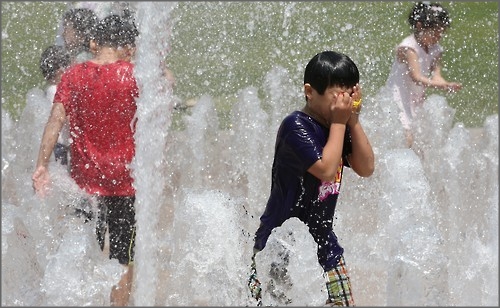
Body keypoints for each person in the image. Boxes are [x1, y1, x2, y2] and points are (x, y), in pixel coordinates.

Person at [248, 50, 375, 306]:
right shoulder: (296, 126)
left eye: (348, 95)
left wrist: (354, 121)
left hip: (324, 246)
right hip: (282, 247)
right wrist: (340, 123)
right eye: (336, 95)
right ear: (310, 91)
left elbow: (366, 167)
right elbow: (327, 169)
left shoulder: (338, 126)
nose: (343, 103)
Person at [32, 14, 139, 306]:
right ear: (129, 47)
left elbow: (55, 119)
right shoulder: (134, 76)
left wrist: (41, 165)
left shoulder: (73, 75)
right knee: (122, 258)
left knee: (81, 251)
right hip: (125, 186)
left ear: (94, 43)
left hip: (84, 185)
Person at [385, 1, 462, 147]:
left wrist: (443, 83)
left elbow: (437, 75)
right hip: (400, 96)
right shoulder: (409, 48)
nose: (438, 37)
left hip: (416, 97)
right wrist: (443, 86)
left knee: (420, 137)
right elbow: (416, 77)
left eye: (441, 33)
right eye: (435, 32)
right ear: (420, 26)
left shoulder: (435, 49)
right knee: (406, 136)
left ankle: (417, 166)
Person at [39, 45, 72, 165]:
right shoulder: (54, 91)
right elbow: (62, 117)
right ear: (60, 71)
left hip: (58, 145)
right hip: (60, 146)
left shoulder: (50, 90)